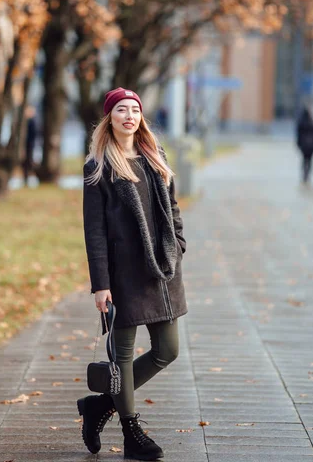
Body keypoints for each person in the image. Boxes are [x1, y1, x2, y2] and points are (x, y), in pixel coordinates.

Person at [78, 87, 187, 461]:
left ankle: (99, 406)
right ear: (109, 119)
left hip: (161, 271)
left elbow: (172, 209)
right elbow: (94, 231)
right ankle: (130, 430)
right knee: (121, 356)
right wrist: (101, 284)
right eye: (121, 110)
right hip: (123, 275)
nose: (129, 116)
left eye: (135, 110)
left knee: (167, 350)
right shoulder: (98, 167)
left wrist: (179, 244)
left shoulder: (155, 158)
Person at [296, 105, 313, 183]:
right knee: (309, 161)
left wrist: (298, 144)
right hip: (311, 146)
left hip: (304, 146)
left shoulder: (301, 122)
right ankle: (307, 174)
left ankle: (304, 174)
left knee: (304, 159)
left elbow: (298, 135)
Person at [22, 106, 37, 186]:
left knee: (29, 161)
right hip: (27, 145)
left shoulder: (31, 121)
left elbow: (33, 134)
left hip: (30, 145)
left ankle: (29, 177)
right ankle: (26, 178)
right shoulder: (26, 122)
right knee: (26, 161)